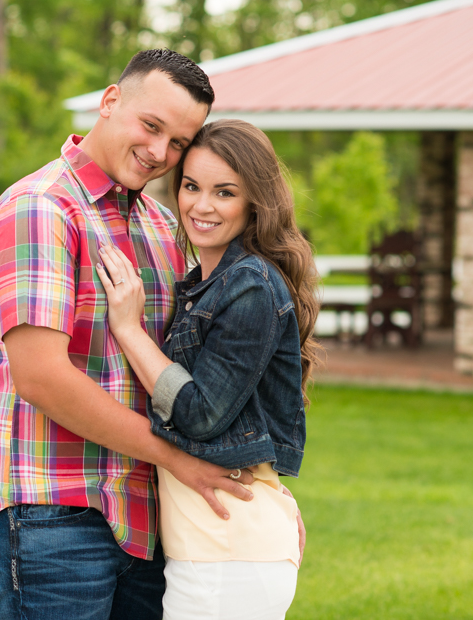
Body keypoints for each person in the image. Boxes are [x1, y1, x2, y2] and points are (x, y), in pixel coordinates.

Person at [0, 50, 258, 620]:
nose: (160, 153)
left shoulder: (161, 226)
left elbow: (203, 378)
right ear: (109, 102)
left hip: (147, 517)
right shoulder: (41, 209)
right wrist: (174, 459)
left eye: (178, 143)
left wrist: (267, 500)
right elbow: (42, 378)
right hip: (53, 513)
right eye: (151, 126)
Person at [96, 119, 319, 620]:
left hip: (226, 550)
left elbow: (201, 413)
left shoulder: (249, 286)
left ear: (255, 201)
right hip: (214, 547)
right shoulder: (207, 282)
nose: (201, 205)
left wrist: (129, 330)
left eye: (225, 192)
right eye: (192, 186)